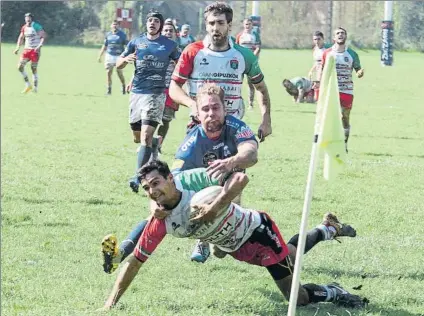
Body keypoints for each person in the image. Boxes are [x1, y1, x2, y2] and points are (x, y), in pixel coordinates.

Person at [98, 160, 367, 311]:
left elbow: (240, 179)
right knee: (292, 255)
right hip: (237, 248)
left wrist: (213, 209)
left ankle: (333, 292)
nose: (153, 191)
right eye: (147, 188)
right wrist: (110, 303)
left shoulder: (192, 181)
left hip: (258, 231)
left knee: (297, 299)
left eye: (156, 183)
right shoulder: (161, 222)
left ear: (170, 178)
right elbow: (135, 262)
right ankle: (327, 229)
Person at [101, 83, 259, 270]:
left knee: (222, 250)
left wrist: (231, 162)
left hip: (229, 189)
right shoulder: (192, 141)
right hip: (198, 185)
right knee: (160, 213)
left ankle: (211, 242)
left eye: (216, 107)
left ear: (225, 109)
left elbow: (251, 154)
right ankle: (119, 255)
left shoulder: (236, 127)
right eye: (205, 109)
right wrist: (156, 205)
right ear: (198, 114)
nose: (211, 113)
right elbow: (172, 178)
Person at [169, 1, 272, 142]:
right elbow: (174, 86)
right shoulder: (192, 51)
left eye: (220, 23)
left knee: (245, 157)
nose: (215, 28)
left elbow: (261, 89)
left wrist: (266, 120)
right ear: (206, 25)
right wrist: (192, 104)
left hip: (232, 125)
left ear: (229, 26)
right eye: (211, 23)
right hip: (199, 125)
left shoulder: (244, 55)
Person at [116, 10, 181, 193]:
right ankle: (154, 144)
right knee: (138, 138)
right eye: (150, 21)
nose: (152, 23)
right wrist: (125, 60)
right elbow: (118, 63)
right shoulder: (136, 42)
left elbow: (182, 63)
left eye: (156, 21)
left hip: (156, 94)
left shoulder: (169, 45)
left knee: (144, 136)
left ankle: (138, 176)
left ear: (160, 25)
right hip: (137, 93)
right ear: (146, 24)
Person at [321, 27, 364, 152]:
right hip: (331, 91)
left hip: (346, 90)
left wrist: (360, 73)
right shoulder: (328, 53)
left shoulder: (352, 54)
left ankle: (344, 143)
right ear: (334, 38)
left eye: (343, 33)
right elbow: (323, 71)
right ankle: (329, 141)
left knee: (345, 117)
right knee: (329, 116)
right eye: (338, 33)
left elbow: (358, 70)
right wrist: (318, 84)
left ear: (345, 37)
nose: (340, 35)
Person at [13, 13, 45, 93]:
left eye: (29, 17)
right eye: (26, 18)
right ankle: (28, 85)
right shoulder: (24, 27)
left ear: (31, 18)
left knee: (33, 69)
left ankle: (35, 88)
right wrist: (17, 48)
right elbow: (21, 37)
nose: (27, 19)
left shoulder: (37, 26)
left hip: (35, 51)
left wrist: (40, 45)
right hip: (26, 50)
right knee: (20, 67)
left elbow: (42, 36)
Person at [235, 18, 261, 109]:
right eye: (246, 24)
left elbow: (258, 48)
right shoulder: (239, 36)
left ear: (252, 25)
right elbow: (236, 48)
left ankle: (251, 103)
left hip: (251, 63)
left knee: (251, 83)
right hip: (241, 62)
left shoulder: (255, 35)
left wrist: (252, 57)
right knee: (238, 82)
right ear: (243, 25)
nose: (247, 26)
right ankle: (237, 101)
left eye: (249, 24)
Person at [98, 20, 128, 95]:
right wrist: (100, 55)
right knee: (108, 72)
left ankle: (123, 86)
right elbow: (105, 45)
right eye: (113, 24)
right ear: (111, 26)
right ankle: (109, 90)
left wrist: (126, 56)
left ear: (118, 26)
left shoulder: (122, 35)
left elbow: (127, 46)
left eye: (116, 24)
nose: (114, 26)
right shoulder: (108, 35)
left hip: (118, 56)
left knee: (119, 73)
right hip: (109, 55)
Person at [308, 31, 331, 102]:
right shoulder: (315, 49)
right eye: (315, 39)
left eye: (319, 39)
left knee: (325, 84)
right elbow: (316, 61)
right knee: (316, 84)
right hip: (318, 68)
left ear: (323, 39)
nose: (317, 41)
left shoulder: (328, 48)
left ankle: (326, 99)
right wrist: (311, 70)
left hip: (326, 68)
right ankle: (317, 100)